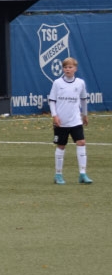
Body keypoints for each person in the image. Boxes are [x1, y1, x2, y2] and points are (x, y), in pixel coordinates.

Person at [49, 56, 91, 185]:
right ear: (63, 69)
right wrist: (55, 115)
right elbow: (52, 100)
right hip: (61, 121)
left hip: (75, 120)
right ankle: (58, 174)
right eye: (65, 67)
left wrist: (84, 114)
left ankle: (83, 174)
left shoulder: (80, 83)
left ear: (75, 69)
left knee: (81, 142)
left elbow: (83, 99)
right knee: (61, 146)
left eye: (70, 67)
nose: (67, 69)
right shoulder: (57, 83)